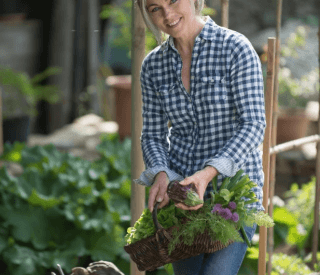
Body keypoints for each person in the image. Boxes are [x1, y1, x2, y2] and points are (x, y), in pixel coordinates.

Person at [133, 0, 266, 274]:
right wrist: (160, 173)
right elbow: (152, 136)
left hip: (233, 200)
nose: (167, 14)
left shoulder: (234, 48)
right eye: (154, 8)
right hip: (183, 201)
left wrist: (207, 174)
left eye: (172, 1)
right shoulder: (153, 66)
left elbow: (253, 124)